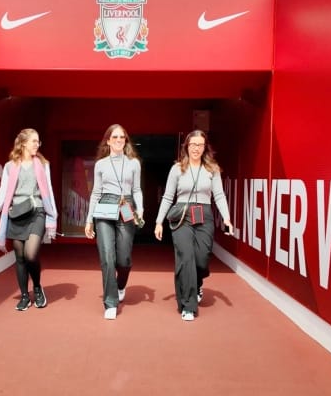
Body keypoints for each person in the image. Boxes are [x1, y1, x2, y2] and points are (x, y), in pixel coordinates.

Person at [154, 129, 233, 321]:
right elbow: (167, 196)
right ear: (186, 147)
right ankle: (188, 305)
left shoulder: (212, 169)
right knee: (185, 257)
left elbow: (219, 195)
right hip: (182, 215)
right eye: (192, 144)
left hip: (204, 215)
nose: (196, 148)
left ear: (205, 147)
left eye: (200, 144)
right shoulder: (177, 168)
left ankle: (196, 283)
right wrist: (158, 221)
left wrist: (227, 218)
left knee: (201, 258)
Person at [0, 128, 58, 311]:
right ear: (24, 143)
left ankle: (37, 288)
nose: (37, 145)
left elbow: (48, 190)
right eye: (34, 141)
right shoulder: (10, 166)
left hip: (38, 211)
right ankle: (25, 296)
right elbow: (3, 192)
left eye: (38, 142)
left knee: (30, 253)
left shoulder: (43, 164)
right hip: (17, 213)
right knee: (19, 257)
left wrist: (52, 215)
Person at [84, 124, 144, 320]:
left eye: (122, 137)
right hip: (104, 206)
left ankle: (120, 285)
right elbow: (96, 192)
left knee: (124, 259)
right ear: (108, 141)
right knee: (107, 257)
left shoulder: (134, 163)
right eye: (115, 137)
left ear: (125, 141)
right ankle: (110, 302)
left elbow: (137, 190)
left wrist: (140, 209)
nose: (119, 140)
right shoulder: (100, 164)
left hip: (126, 206)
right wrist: (89, 220)